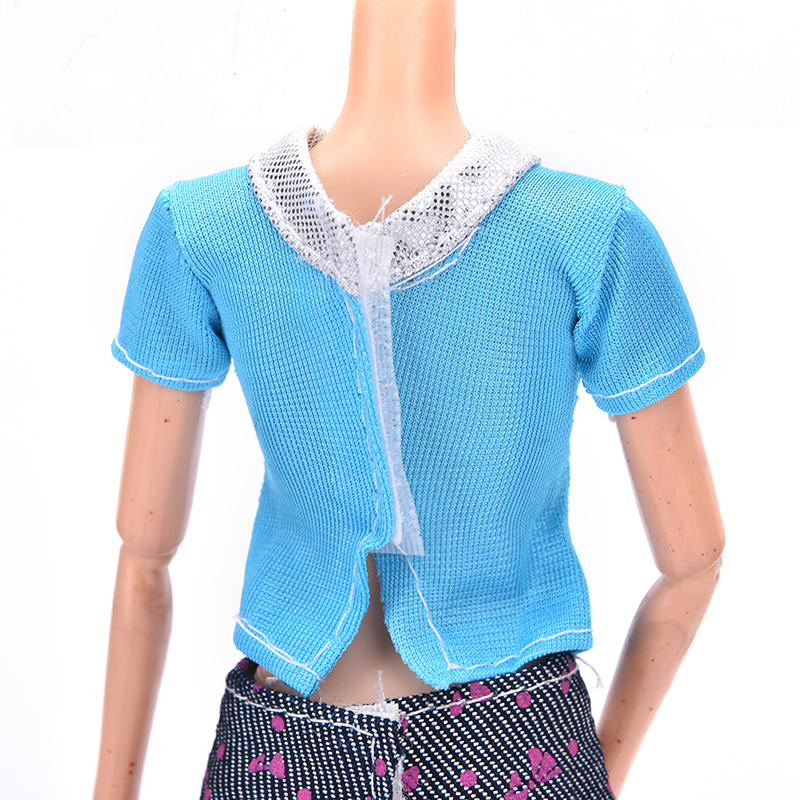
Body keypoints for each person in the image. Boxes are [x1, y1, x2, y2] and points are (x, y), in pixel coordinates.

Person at [94, 1, 725, 798]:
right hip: (309, 745)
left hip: (491, 736)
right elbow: (695, 563)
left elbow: (142, 558)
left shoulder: (585, 233)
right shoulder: (205, 229)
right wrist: (587, 772)